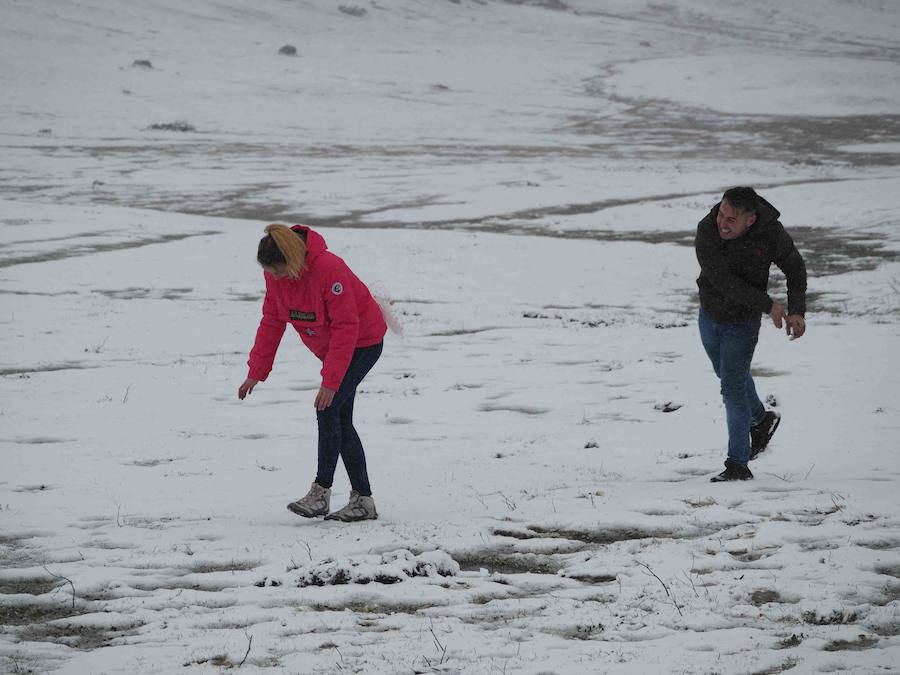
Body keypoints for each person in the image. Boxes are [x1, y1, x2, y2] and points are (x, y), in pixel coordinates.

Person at [238, 223, 387, 519]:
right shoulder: (276, 276)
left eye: (278, 271)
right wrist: (257, 370)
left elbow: (347, 327)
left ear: (292, 260)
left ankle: (321, 492)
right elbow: (272, 321)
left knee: (328, 409)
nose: (274, 277)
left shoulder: (330, 269)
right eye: (270, 272)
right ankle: (363, 501)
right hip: (334, 350)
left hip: (362, 343)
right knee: (339, 418)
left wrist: (330, 383)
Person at [695, 187, 807, 482]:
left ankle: (737, 465)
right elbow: (721, 280)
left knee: (731, 388)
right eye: (721, 213)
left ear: (751, 219)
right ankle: (761, 418)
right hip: (709, 315)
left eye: (731, 218)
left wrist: (796, 310)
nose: (722, 222)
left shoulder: (770, 233)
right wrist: (769, 305)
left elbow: (795, 267)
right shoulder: (706, 228)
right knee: (729, 375)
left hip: (742, 324)